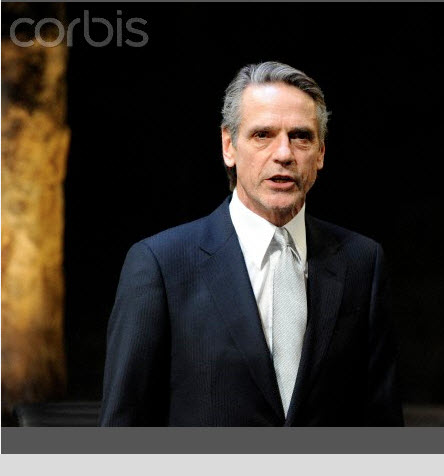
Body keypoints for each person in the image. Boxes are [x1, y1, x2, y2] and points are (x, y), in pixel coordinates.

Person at [99, 61, 403, 426]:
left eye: (301, 136)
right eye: (263, 135)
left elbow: (382, 423)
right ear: (229, 146)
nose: (284, 153)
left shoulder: (362, 261)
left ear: (321, 152)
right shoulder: (161, 265)